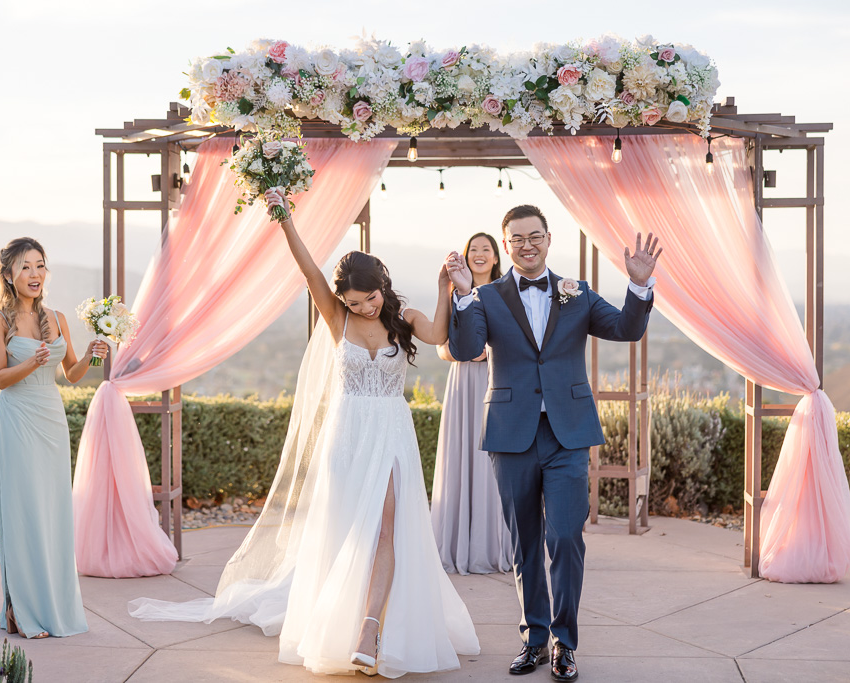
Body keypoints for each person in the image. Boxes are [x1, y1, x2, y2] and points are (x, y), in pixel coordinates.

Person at [130, 190, 479, 678]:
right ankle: (341, 619)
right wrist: (285, 219)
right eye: (353, 302)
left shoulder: (406, 319)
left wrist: (445, 287)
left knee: (385, 528)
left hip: (391, 431)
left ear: (384, 285)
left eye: (370, 299)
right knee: (347, 531)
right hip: (348, 433)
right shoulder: (336, 317)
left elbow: (441, 337)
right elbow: (309, 270)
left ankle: (369, 630)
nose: (362, 309)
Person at [446, 205, 660, 681]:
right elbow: (463, 351)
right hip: (511, 434)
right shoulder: (485, 295)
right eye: (516, 238)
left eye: (534, 236)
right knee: (525, 543)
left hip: (568, 434)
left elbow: (626, 329)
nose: (526, 244)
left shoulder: (576, 292)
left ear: (548, 238)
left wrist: (639, 285)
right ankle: (534, 639)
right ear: (506, 245)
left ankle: (565, 643)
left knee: (565, 537)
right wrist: (462, 296)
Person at [0, 237, 107, 639]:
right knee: (23, 511)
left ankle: (53, 607)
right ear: (9, 274)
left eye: (40, 266)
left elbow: (70, 373)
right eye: (25, 267)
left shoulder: (56, 317)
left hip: (51, 420)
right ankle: (21, 608)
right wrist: (31, 362)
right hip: (17, 419)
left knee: (52, 512)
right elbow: (0, 379)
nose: (35, 274)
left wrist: (92, 352)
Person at [431, 232, 513, 575]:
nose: (479, 254)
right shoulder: (453, 292)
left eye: (486, 249)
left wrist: (491, 351)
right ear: (465, 257)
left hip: (498, 382)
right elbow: (438, 343)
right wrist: (457, 352)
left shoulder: (507, 292)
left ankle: (493, 544)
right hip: (464, 382)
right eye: (473, 249)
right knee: (462, 456)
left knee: (495, 463)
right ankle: (456, 543)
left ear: (496, 257)